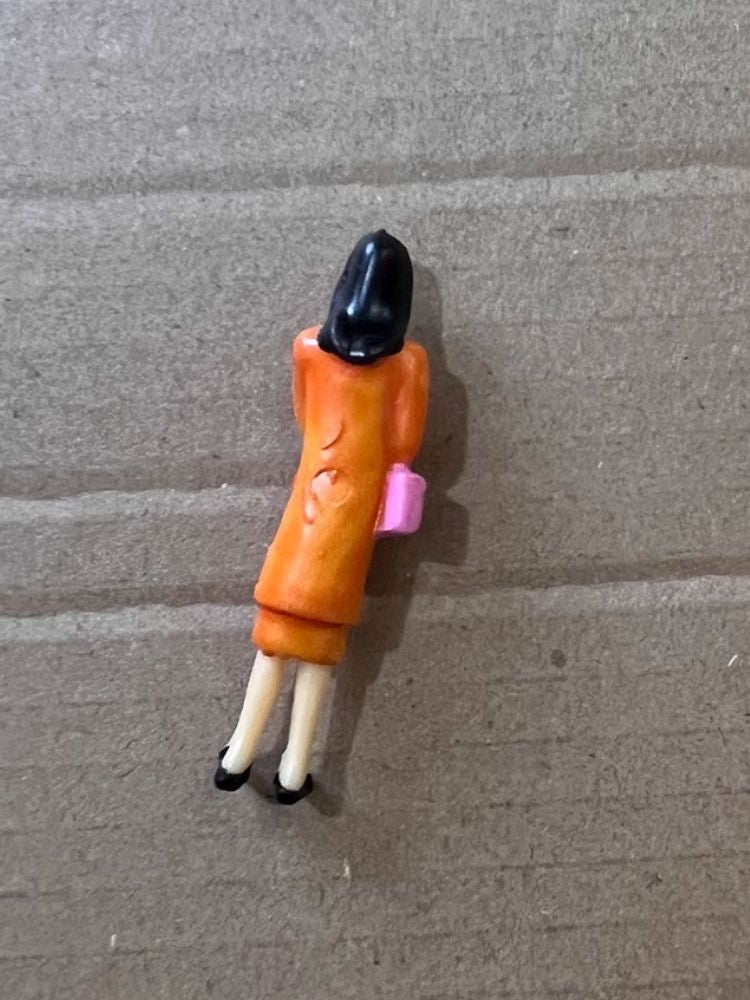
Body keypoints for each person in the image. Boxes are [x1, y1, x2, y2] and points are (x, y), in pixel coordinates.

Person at [214, 230, 429, 803]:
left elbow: (304, 416)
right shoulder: (407, 363)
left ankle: (238, 754)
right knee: (320, 642)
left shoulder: (310, 347)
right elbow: (404, 442)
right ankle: (293, 771)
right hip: (354, 508)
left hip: (311, 494)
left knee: (277, 630)